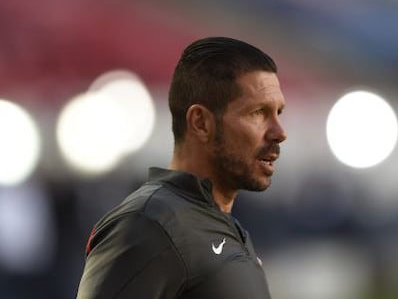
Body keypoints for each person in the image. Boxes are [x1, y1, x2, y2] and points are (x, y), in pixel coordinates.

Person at [76, 36, 287, 298]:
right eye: (258, 113)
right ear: (201, 123)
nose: (279, 132)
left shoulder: (220, 224)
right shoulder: (148, 224)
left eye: (279, 113)